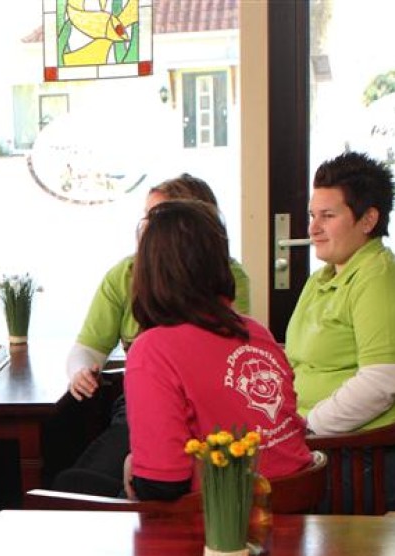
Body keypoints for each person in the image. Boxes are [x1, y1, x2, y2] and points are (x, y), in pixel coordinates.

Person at [56, 175, 252, 493]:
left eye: (157, 219)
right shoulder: (124, 274)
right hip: (144, 404)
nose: (146, 229)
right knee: (79, 481)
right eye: (145, 218)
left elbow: (162, 484)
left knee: (78, 489)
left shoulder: (228, 281)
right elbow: (89, 346)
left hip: (204, 410)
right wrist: (81, 370)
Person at [284, 151, 395, 510]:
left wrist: (305, 427)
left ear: (368, 219)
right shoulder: (323, 278)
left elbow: (384, 382)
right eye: (312, 215)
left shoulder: (383, 280)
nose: (312, 228)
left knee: (249, 494)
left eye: (328, 216)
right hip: (329, 446)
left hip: (370, 457)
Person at [123, 199, 313, 500]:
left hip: (221, 521)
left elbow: (162, 485)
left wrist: (130, 468)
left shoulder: (152, 350)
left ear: (149, 271)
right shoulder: (256, 332)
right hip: (298, 508)